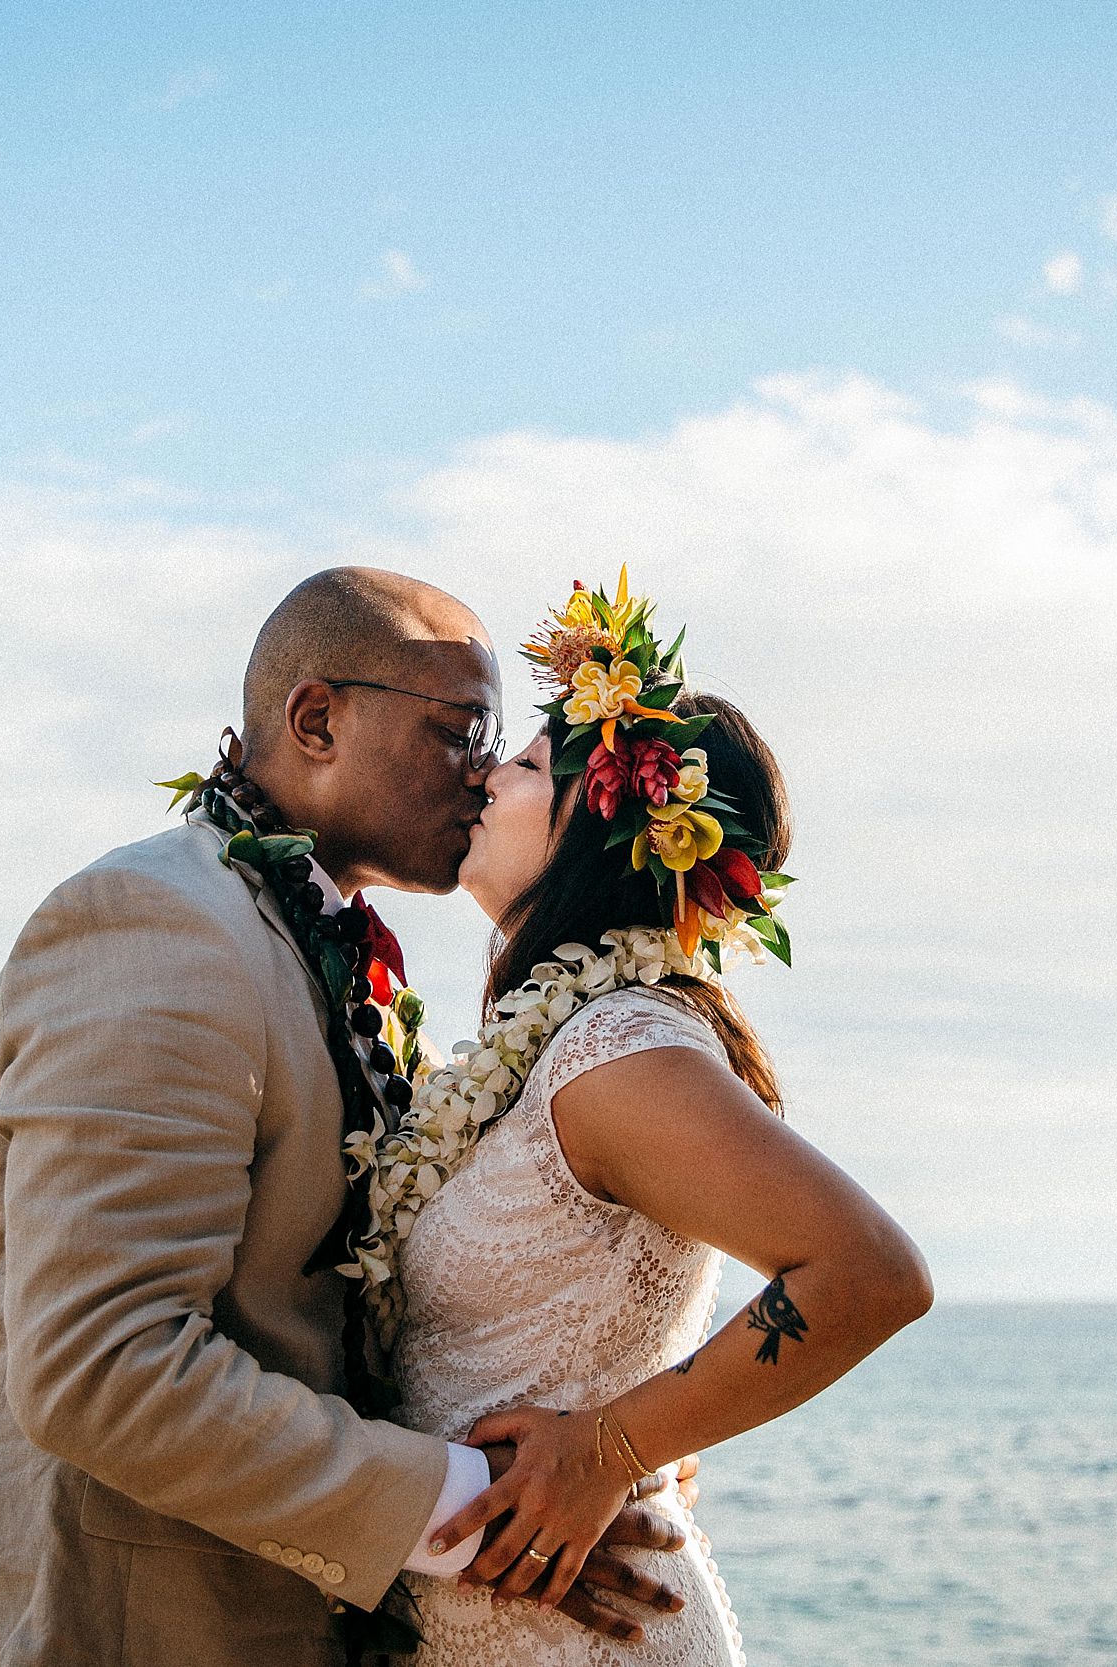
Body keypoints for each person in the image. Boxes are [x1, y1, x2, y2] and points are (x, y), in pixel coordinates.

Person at [0, 568, 691, 1667]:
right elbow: (103, 1365)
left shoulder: (313, 945)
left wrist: (593, 1433)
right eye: (461, 731)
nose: (484, 775)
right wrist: (478, 1507)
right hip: (100, 1624)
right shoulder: (155, 925)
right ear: (318, 719)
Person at [366, 572, 934, 1664]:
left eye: (528, 766)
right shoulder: (540, 1053)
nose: (487, 774)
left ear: (602, 836)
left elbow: (870, 1274)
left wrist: (612, 1445)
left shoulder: (614, 1051)